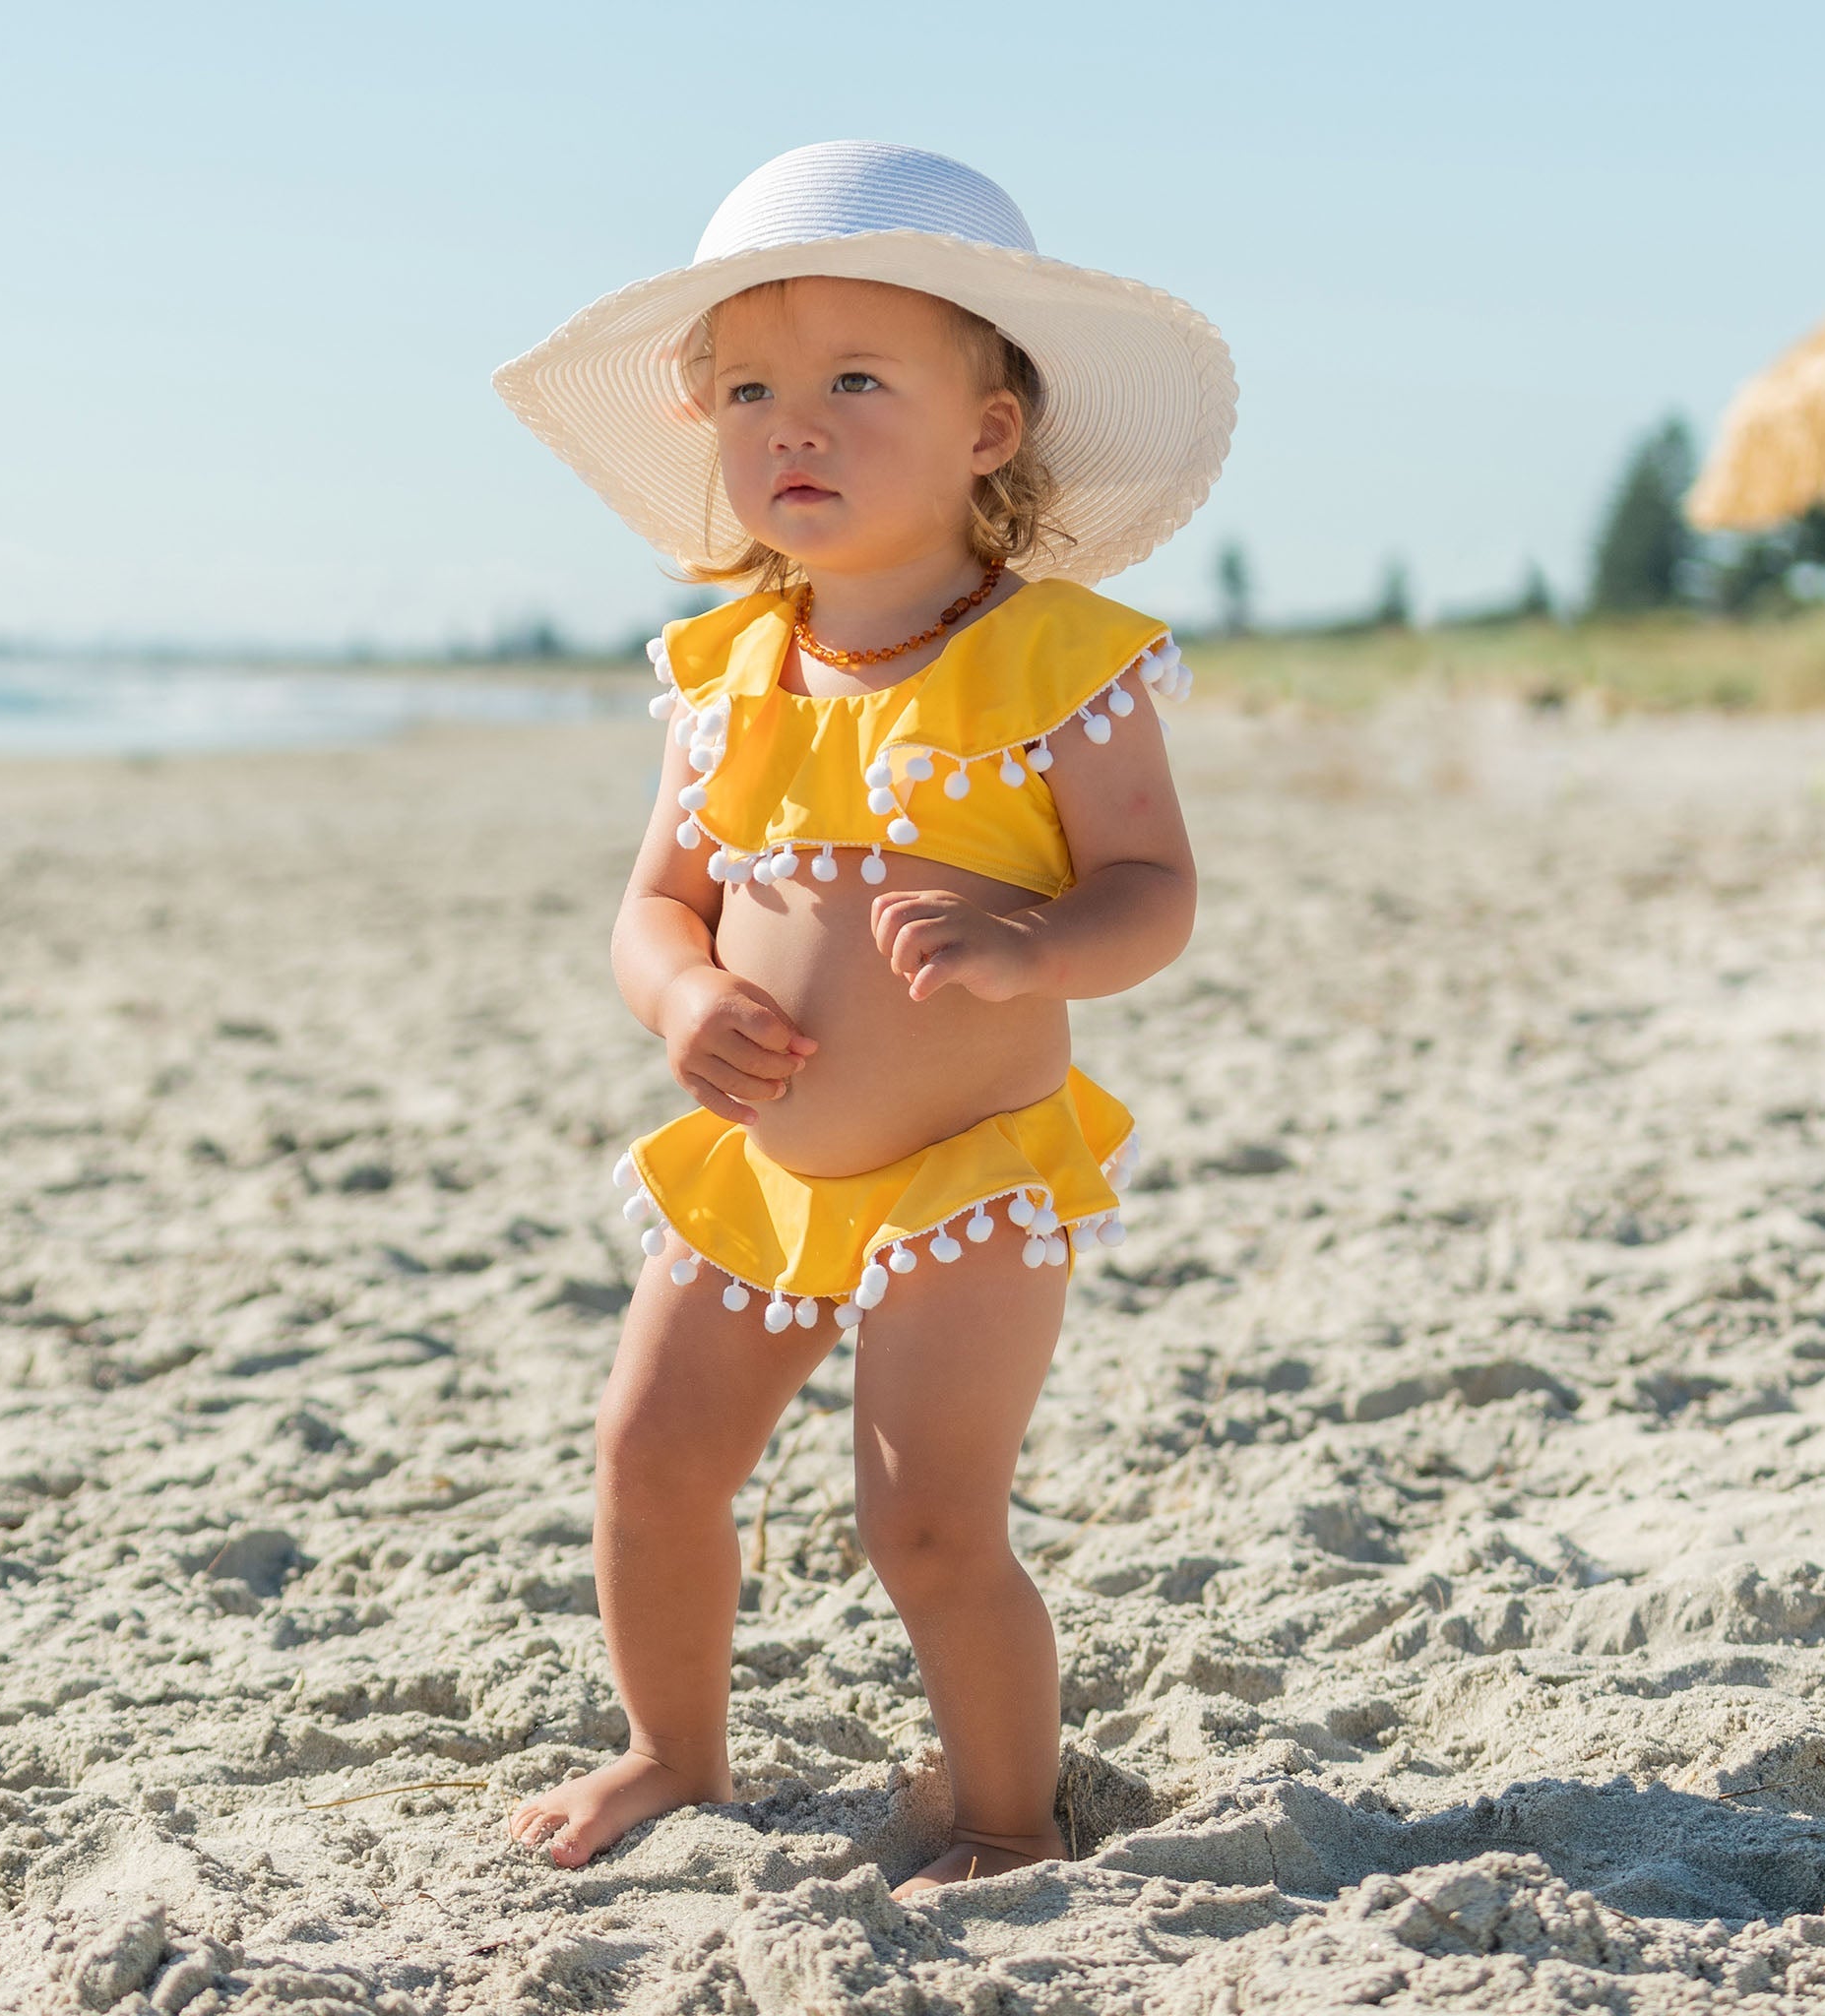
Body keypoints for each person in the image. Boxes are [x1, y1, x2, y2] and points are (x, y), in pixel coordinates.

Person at [490, 140, 1234, 1899]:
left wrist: (1032, 942)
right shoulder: (725, 671)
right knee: (652, 1457)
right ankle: (674, 1750)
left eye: (852, 381)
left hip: (965, 1176)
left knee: (924, 1519)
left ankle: (1000, 1820)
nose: (791, 425)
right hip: (763, 1167)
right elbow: (656, 902)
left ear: (990, 429)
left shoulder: (1057, 660)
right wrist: (681, 997)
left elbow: (1157, 895)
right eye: (748, 388)